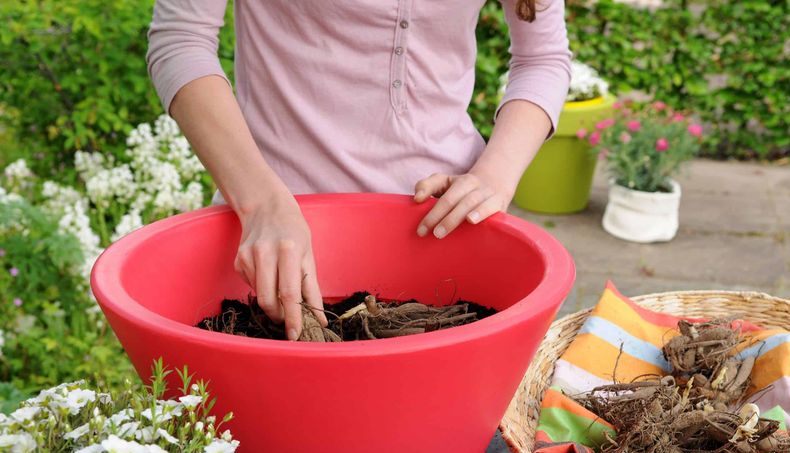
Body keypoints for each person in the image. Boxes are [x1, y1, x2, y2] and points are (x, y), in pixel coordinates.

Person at [147, 0, 571, 340]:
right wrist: (261, 203)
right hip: (278, 249)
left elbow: (543, 58)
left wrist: (495, 174)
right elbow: (181, 40)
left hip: (444, 240)